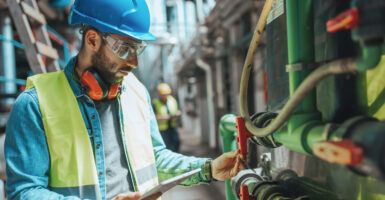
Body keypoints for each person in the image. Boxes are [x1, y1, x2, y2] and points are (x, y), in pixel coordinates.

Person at [4, 0, 245, 200]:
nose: (134, 62)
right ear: (92, 40)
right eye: (124, 48)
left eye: (137, 49)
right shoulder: (35, 104)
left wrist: (207, 169)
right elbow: (23, 192)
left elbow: (155, 156)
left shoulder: (136, 91)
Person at [153, 83, 181, 152]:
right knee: (166, 146)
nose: (165, 96)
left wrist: (177, 114)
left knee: (176, 143)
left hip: (173, 126)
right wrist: (163, 117)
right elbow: (153, 117)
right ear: (159, 94)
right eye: (163, 94)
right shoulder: (155, 103)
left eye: (166, 94)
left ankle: (175, 159)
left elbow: (179, 110)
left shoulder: (173, 101)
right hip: (163, 129)